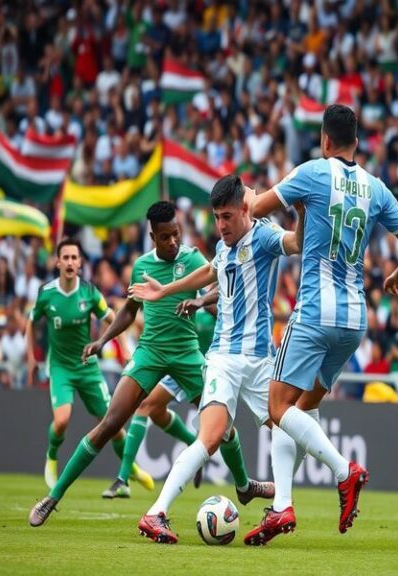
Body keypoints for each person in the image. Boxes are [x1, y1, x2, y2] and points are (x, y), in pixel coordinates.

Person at [28, 202, 269, 528]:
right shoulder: (142, 265)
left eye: (176, 234)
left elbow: (221, 285)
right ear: (152, 236)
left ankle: (243, 487)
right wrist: (103, 340)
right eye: (165, 237)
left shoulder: (193, 258)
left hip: (187, 354)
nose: (172, 242)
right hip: (149, 354)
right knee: (109, 424)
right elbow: (129, 310)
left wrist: (199, 299)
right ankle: (52, 497)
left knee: (223, 427)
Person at [245, 104, 398, 541]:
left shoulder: (313, 171)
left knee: (277, 408)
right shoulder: (375, 187)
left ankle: (344, 471)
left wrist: (246, 193)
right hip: (353, 320)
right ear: (356, 144)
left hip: (314, 312)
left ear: (325, 140)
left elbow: (257, 210)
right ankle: (282, 507)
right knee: (301, 410)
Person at [131, 177, 305, 544]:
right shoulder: (223, 246)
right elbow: (210, 271)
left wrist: (300, 212)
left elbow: (298, 242)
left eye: (227, 216)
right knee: (208, 439)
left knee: (289, 429)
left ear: (245, 209)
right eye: (216, 217)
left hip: (260, 361)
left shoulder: (265, 236)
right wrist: (167, 290)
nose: (221, 225)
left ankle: (279, 507)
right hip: (224, 358)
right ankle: (155, 513)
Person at [25, 238, 152, 493]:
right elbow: (31, 323)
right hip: (60, 367)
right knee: (62, 420)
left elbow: (111, 318)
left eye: (75, 257)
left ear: (80, 263)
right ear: (58, 262)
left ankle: (132, 470)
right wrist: (31, 357)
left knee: (112, 424)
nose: (70, 262)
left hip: (87, 367)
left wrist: (124, 346)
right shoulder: (46, 294)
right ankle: (51, 457)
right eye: (66, 257)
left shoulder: (90, 293)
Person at [100, 287, 218, 499]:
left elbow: (227, 319)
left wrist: (205, 302)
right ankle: (123, 479)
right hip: (179, 362)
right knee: (150, 408)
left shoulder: (213, 299)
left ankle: (243, 484)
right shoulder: (184, 290)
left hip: (201, 367)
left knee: (222, 430)